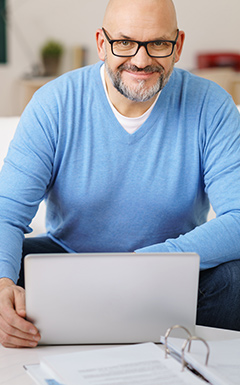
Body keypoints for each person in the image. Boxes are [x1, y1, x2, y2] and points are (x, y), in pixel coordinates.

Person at [0, 0, 240, 348]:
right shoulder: (53, 103)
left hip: (170, 275)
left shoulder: (212, 106)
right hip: (70, 264)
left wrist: (141, 266)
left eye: (158, 43)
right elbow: (6, 212)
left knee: (236, 278)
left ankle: (76, 321)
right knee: (10, 268)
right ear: (101, 43)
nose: (141, 60)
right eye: (124, 42)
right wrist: (4, 285)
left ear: (178, 46)